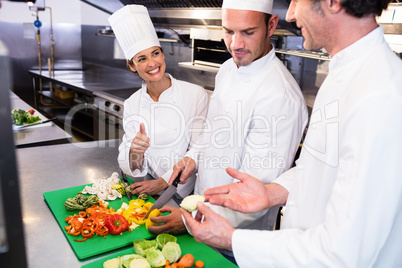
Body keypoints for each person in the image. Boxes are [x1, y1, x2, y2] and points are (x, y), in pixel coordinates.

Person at [181, 0, 402, 266]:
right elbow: (318, 167)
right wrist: (272, 192)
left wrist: (233, 239)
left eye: (297, 0)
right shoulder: (345, 74)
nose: (292, 13)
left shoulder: (380, 94)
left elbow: (344, 252)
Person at [169, 0, 308, 241]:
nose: (236, 44)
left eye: (248, 32)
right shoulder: (227, 69)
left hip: (235, 237)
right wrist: (193, 157)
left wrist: (188, 219)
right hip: (201, 214)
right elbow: (214, 130)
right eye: (228, 31)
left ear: (271, 25)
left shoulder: (280, 96)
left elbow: (254, 191)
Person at [109, 5, 209, 229]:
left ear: (163, 53)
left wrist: (163, 183)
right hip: (148, 192)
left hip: (185, 197)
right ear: (131, 65)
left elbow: (200, 148)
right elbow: (131, 164)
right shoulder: (133, 103)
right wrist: (135, 152)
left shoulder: (194, 95)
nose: (152, 63)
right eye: (142, 58)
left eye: (155, 53)